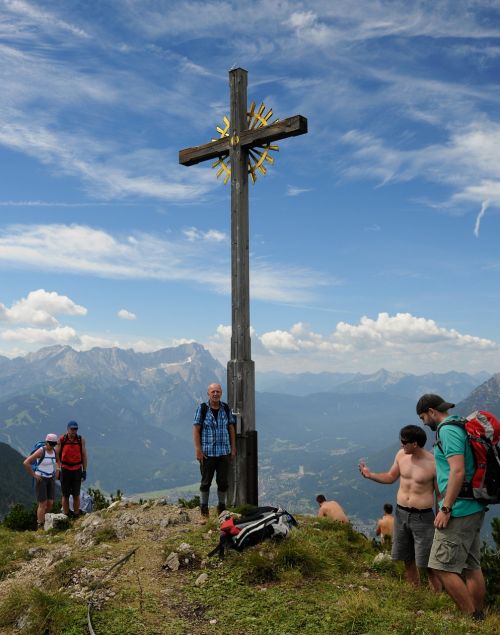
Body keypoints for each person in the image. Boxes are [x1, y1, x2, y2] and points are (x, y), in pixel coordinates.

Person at [416, 394, 487, 620]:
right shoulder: (462, 424)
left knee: (441, 567)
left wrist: (446, 508)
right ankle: (479, 616)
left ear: (431, 411)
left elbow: (457, 470)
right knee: (471, 565)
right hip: (473, 504)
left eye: (423, 417)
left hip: (459, 509)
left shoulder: (447, 430)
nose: (423, 422)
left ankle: (471, 618)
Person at [359, 425, 440, 591]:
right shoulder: (401, 455)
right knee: (407, 558)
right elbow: (390, 477)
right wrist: (370, 475)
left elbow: (440, 495)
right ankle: (414, 593)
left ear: (415, 444)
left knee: (429, 563)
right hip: (401, 513)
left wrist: (441, 516)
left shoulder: (433, 463)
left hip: (422, 517)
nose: (401, 444)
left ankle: (436, 598)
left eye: (404, 442)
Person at [193, 383, 236, 522]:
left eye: (218, 391)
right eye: (213, 392)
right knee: (205, 482)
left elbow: (231, 428)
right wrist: (198, 449)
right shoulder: (203, 408)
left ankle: (221, 509)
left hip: (224, 452)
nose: (215, 394)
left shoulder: (225, 408)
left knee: (223, 482)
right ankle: (204, 512)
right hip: (208, 453)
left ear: (221, 393)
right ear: (208, 394)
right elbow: (196, 430)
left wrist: (233, 447)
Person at [23, 433, 59, 530]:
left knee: (50, 502)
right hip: (41, 479)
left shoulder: (55, 451)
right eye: (50, 443)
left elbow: (58, 461)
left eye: (54, 444)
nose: (52, 446)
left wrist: (57, 471)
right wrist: (34, 475)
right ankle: (40, 525)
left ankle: (46, 521)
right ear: (46, 442)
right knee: (42, 503)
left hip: (51, 478)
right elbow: (26, 462)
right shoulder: (41, 451)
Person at [58, 420, 87, 518]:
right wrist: (58, 469)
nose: (74, 431)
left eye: (76, 429)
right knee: (65, 495)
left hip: (77, 469)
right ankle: (65, 515)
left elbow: (84, 455)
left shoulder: (80, 440)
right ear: (68, 429)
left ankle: (76, 514)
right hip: (65, 469)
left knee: (76, 494)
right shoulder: (62, 439)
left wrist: (84, 470)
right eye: (72, 429)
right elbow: (57, 455)